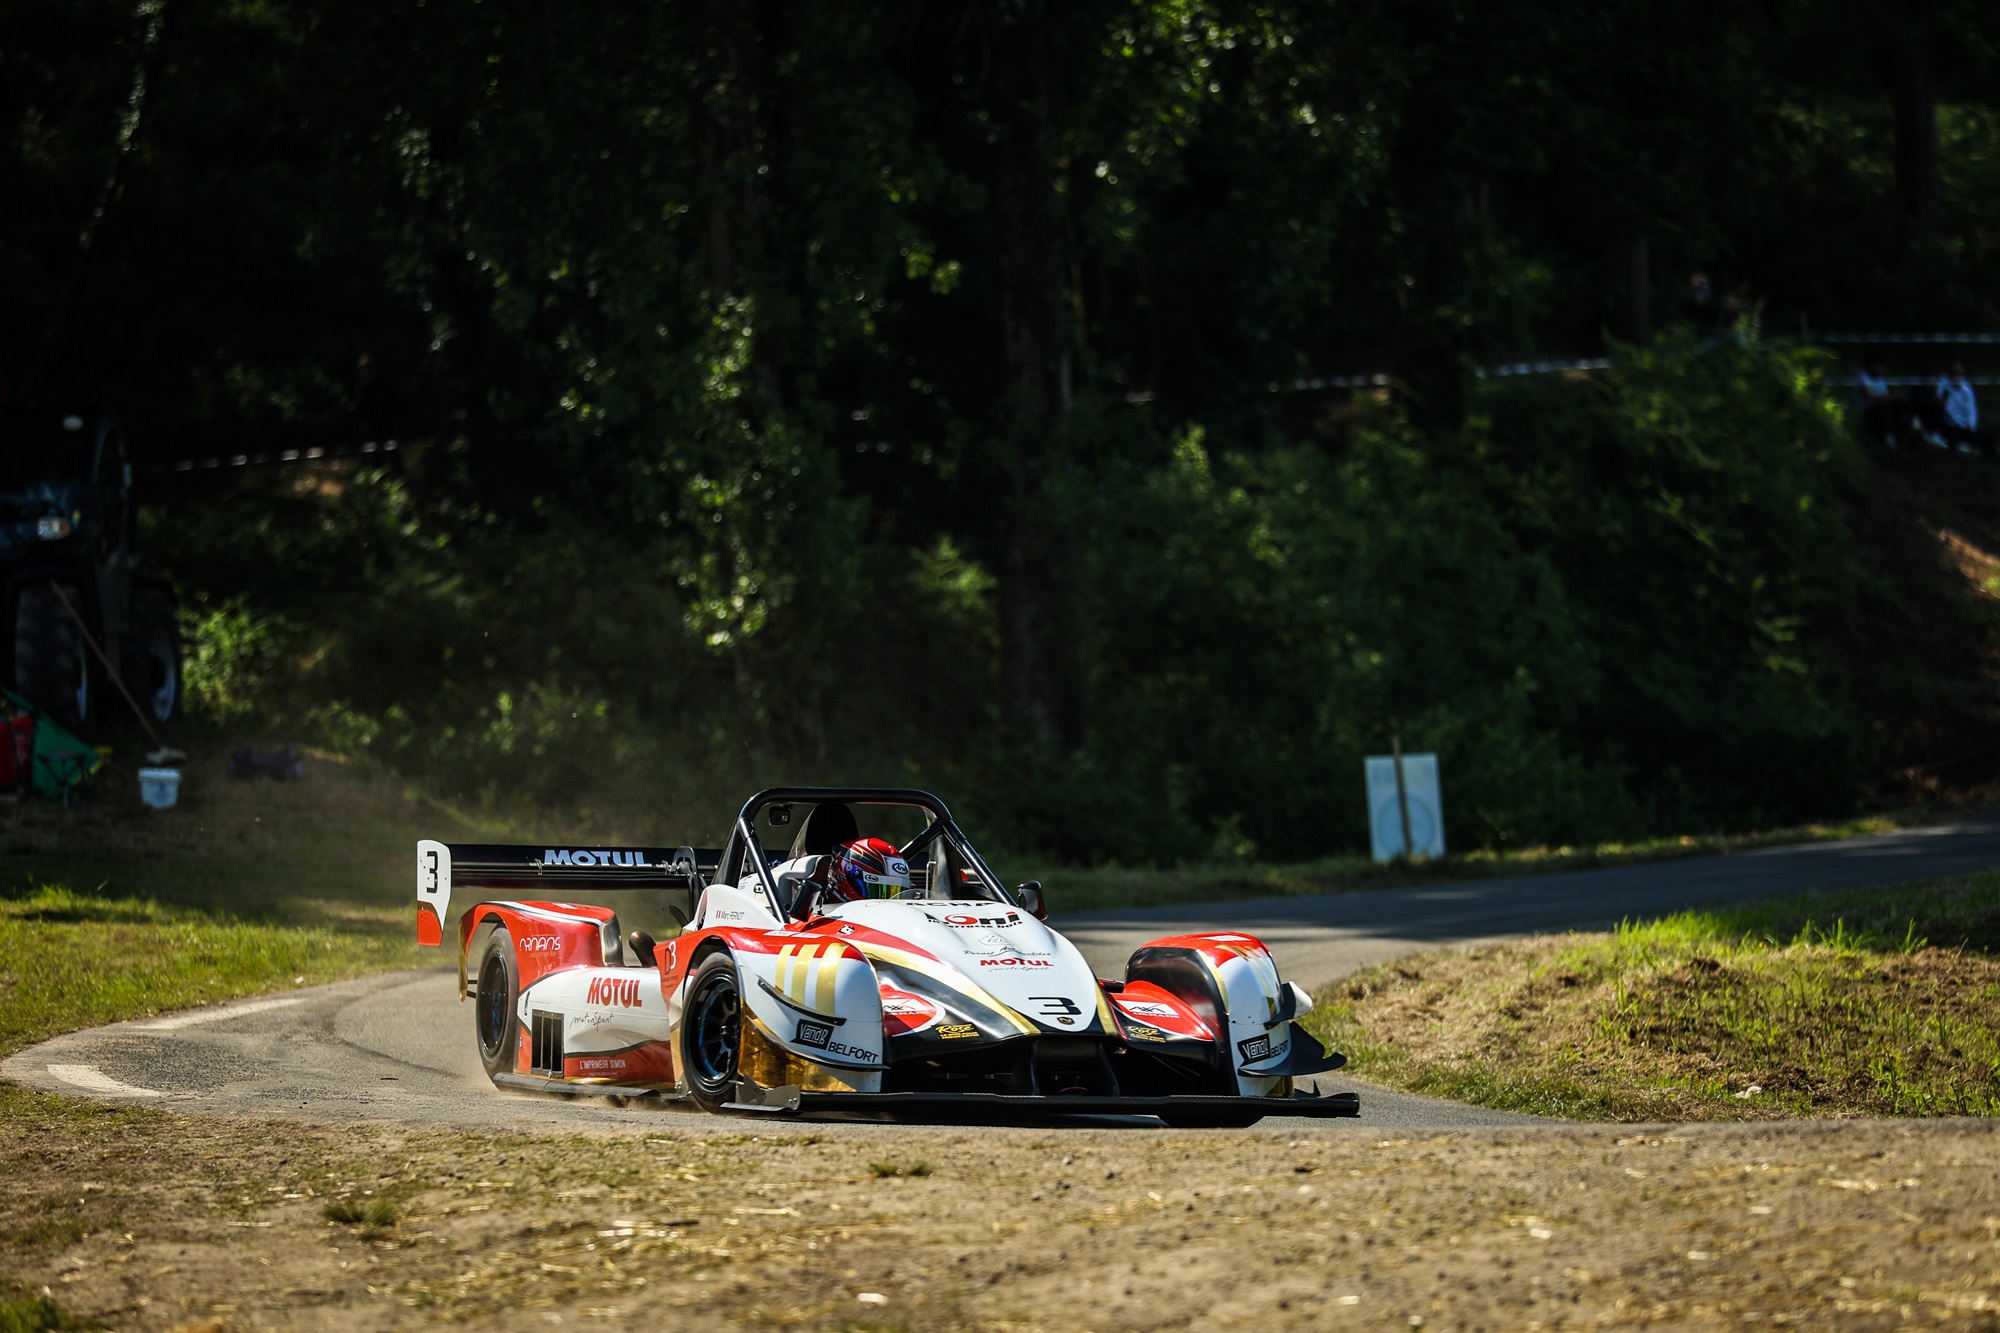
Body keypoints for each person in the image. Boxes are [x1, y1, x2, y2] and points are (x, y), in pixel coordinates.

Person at [1935, 361, 1992, 456]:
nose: (1956, 377)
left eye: (1958, 374)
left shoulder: (1966, 389)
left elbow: (1971, 409)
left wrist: (1970, 425)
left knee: (1984, 438)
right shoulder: (1944, 386)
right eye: (1954, 373)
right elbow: (1939, 402)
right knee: (1953, 438)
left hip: (1963, 427)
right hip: (1950, 426)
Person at [1854, 354, 1905, 447]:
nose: (1880, 369)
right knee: (1885, 406)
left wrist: (1896, 397)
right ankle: (1887, 435)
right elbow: (1870, 397)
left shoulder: (1880, 379)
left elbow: (1885, 396)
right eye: (1877, 366)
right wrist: (1892, 396)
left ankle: (1899, 435)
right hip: (1866, 410)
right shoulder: (1862, 378)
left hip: (1878, 408)